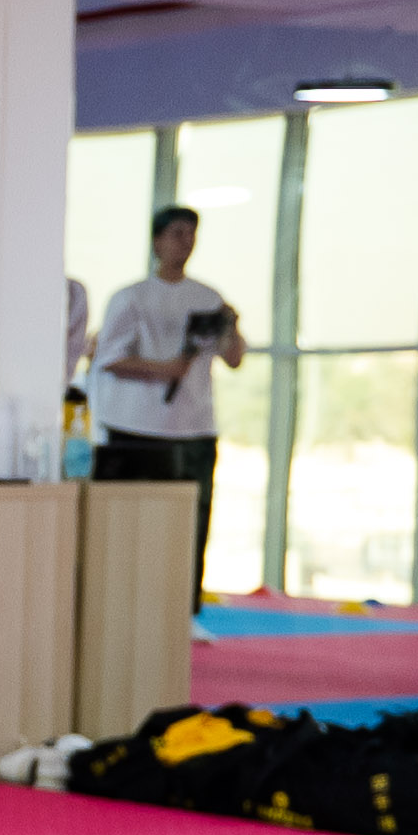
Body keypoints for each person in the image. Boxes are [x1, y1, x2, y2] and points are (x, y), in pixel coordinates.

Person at [92, 204, 242, 596]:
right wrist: (165, 369)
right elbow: (109, 358)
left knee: (192, 525)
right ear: (157, 241)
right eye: (177, 233)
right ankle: (121, 601)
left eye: (191, 234)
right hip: (135, 429)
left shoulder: (208, 297)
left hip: (194, 429)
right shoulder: (131, 297)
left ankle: (184, 607)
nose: (185, 242)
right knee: (129, 526)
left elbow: (234, 358)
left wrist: (233, 324)